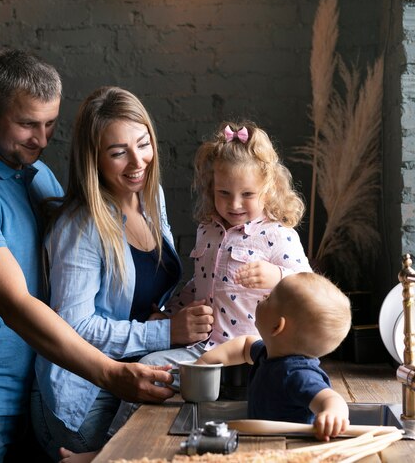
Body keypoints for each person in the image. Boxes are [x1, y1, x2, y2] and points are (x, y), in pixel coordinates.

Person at [0, 50, 175, 463]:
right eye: (27, 124)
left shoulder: (38, 177)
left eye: (50, 124)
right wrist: (111, 372)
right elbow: (16, 305)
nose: (42, 139)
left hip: (37, 386)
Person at [31, 86, 215, 462]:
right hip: (83, 398)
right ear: (93, 159)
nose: (138, 162)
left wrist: (163, 318)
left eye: (143, 144)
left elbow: (142, 294)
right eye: (118, 152)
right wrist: (164, 331)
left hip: (134, 375)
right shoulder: (80, 226)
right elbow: (73, 328)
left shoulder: (151, 196)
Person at [138, 120, 313, 367]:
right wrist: (168, 317)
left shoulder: (277, 234)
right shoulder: (207, 231)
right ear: (211, 189)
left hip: (255, 355)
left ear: (269, 189)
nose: (235, 204)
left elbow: (311, 288)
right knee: (147, 366)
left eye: (248, 194)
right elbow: (199, 286)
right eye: (224, 193)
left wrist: (278, 276)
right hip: (205, 350)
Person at [196, 271, 352, 442]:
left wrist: (333, 414)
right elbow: (244, 345)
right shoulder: (269, 352)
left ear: (278, 326)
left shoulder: (298, 374)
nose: (263, 295)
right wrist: (205, 362)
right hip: (263, 441)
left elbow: (330, 398)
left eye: (269, 298)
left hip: (288, 448)